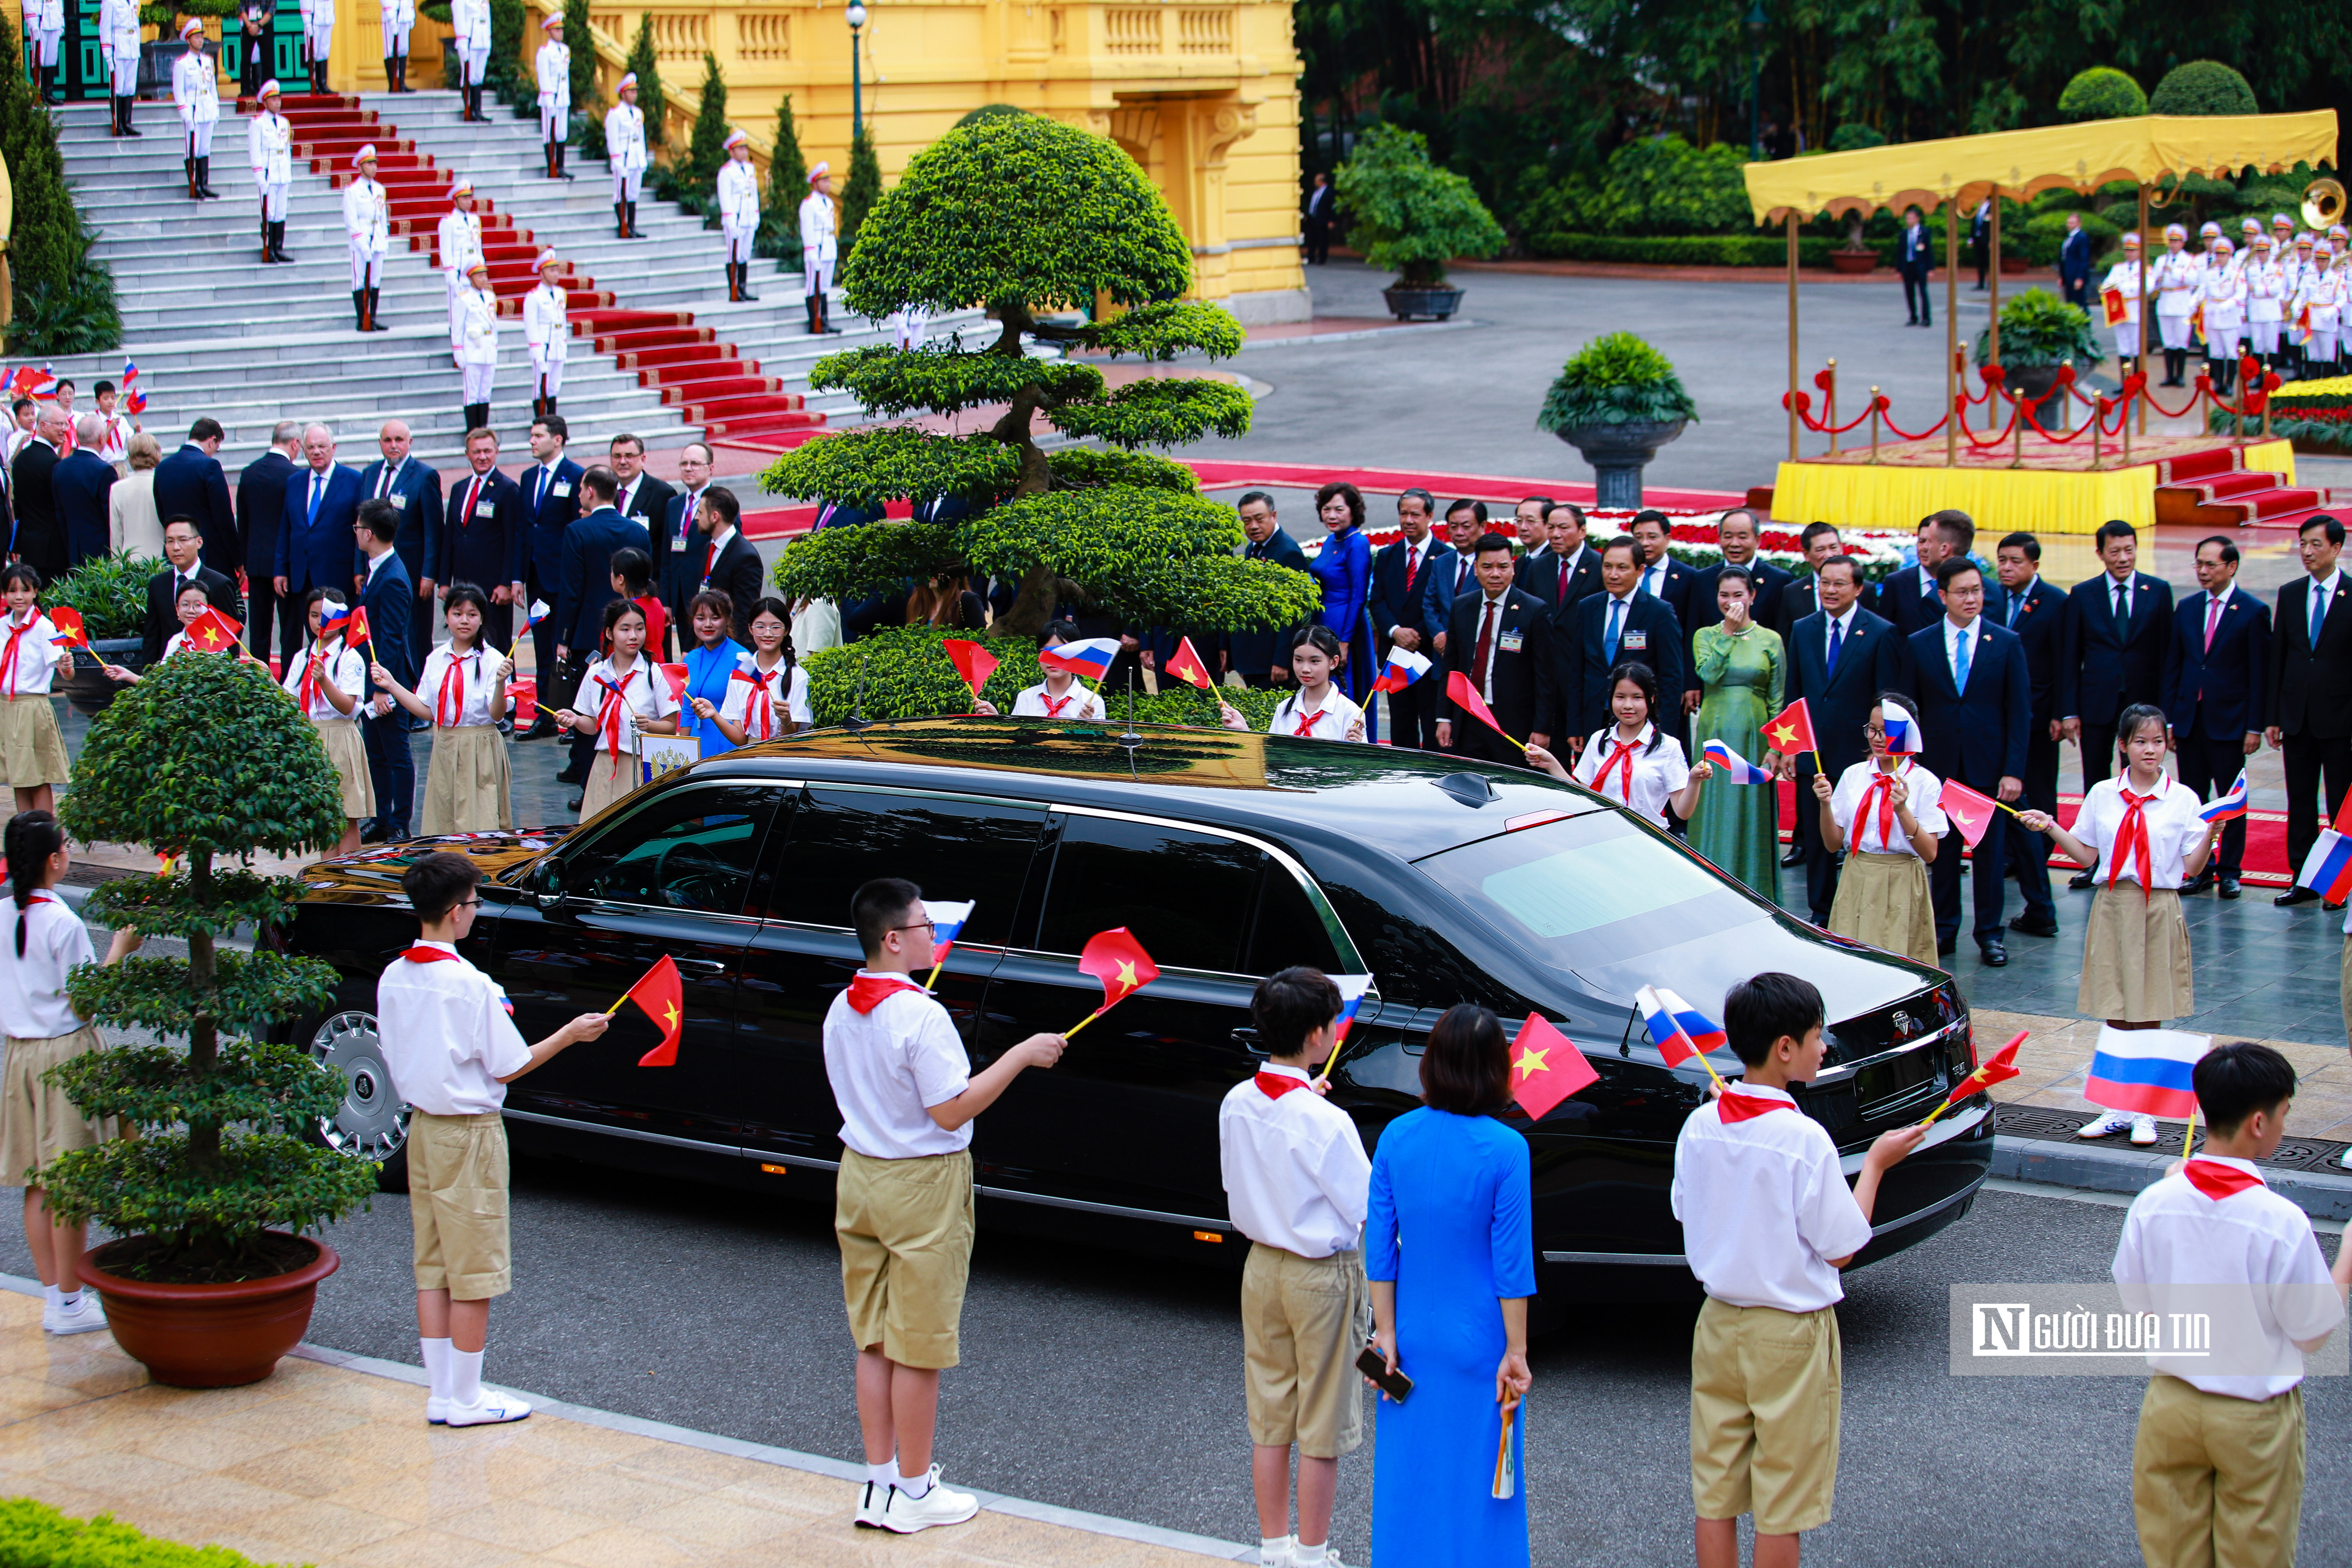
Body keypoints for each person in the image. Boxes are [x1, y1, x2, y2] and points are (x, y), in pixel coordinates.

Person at [827, 877, 1064, 1533]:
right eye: (925, 925)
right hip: (922, 1183)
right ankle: (915, 1491)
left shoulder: (842, 1006)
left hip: (861, 1176)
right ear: (894, 938)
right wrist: (1021, 1056)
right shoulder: (920, 1015)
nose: (936, 933)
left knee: (873, 1338)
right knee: (920, 1344)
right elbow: (950, 1107)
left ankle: (878, 1485)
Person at [1675, 972, 1923, 1568]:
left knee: (1716, 1492)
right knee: (1782, 1499)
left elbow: (1686, 1209)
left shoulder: (1700, 1124)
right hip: (1788, 1331)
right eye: (1817, 1035)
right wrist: (1878, 1167)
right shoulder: (1803, 1138)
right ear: (1785, 1048)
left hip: (1718, 1323)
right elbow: (1840, 1248)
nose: (1824, 1046)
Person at [379, 851, 611, 1427]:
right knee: (474, 1269)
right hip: (470, 1133)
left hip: (423, 1128)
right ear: (457, 912)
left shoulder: (394, 975)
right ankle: (467, 1397)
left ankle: (442, 1393)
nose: (477, 912)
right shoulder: (469, 985)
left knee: (432, 1266)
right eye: (476, 903)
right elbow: (508, 1065)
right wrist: (570, 1035)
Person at [2112, 1043, 2351, 1568]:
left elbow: (2136, 1299)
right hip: (2253, 1414)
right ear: (2260, 1124)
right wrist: (2348, 1260)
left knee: (2172, 1554)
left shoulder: (2155, 1201)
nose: (2285, 1126)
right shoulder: (2279, 1219)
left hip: (2170, 1404)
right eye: (2285, 1115)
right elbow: (2311, 1333)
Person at [1364, 1003, 1532, 1568]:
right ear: (1495, 1071)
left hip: (1408, 1338)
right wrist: (1518, 1350)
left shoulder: (1395, 1136)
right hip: (1480, 1339)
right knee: (1484, 1486)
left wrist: (1384, 1331)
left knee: (1408, 1484)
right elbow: (1511, 1265)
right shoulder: (1508, 1150)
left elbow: (1380, 1247)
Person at [1220, 968, 1370, 1568]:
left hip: (1261, 1264)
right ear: (1317, 1035)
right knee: (1323, 1420)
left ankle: (1274, 1547)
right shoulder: (1326, 1121)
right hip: (1320, 1274)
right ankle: (1313, 1552)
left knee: (1270, 1410)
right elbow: (1363, 1208)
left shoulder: (1237, 1101)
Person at [2020, 704, 2224, 1145]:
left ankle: (2145, 1111)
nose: (2150, 750)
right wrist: (2051, 826)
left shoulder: (2183, 798)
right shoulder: (2103, 794)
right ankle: (2117, 1106)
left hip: (2158, 905)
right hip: (2115, 904)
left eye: (2157, 741)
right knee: (2116, 1007)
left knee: (2148, 1008)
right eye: (2140, 741)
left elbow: (2191, 867)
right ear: (2123, 745)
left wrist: (2212, 832)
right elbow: (2089, 857)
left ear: (2167, 744)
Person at [0, 812, 140, 1338]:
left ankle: (55, 1297)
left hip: (19, 1054)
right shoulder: (63, 924)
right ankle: (67, 1300)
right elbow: (86, 1003)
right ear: (56, 860)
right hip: (64, 1055)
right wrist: (119, 953)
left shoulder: (4, 913)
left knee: (37, 1181)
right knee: (70, 1183)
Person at [1909, 555, 2029, 966]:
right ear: (1943, 595)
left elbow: (2019, 711)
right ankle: (1944, 929)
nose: (1972, 598)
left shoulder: (2006, 642)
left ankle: (1990, 934)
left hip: (1988, 768)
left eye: (1977, 590)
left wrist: (2013, 769)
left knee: (1990, 855)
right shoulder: (1920, 643)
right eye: (1962, 592)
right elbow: (1914, 710)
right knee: (1942, 852)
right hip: (1939, 768)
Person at [1782, 555, 1902, 923]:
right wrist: (1790, 748)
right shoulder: (1804, 628)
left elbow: (1887, 699)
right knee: (1818, 838)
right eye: (1825, 583)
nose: (1830, 590)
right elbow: (1795, 693)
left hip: (1860, 754)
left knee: (1859, 834)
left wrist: (1888, 755)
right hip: (1814, 754)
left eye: (1839, 584)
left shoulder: (1880, 631)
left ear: (1859, 588)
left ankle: (1859, 909)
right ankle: (1822, 911)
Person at [2062, 521, 2175, 882]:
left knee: (2143, 778)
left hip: (2143, 707)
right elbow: (2071, 655)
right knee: (2098, 781)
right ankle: (2097, 862)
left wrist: (2165, 714)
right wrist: (2069, 710)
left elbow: (2166, 654)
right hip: (2097, 701)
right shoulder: (2083, 594)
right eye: (2115, 551)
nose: (2123, 558)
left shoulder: (2157, 591)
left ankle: (2141, 856)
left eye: (2129, 550)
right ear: (2100, 554)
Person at [2165, 536, 2269, 902]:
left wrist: (2255, 725)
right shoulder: (2188, 607)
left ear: (2232, 566)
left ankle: (2230, 871)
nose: (2204, 571)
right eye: (2199, 564)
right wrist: (2171, 721)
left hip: (2230, 723)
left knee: (2231, 800)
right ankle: (2200, 868)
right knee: (2193, 800)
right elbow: (2175, 666)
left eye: (2211, 565)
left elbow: (2260, 673)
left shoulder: (2253, 611)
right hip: (2191, 721)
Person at [372, 585, 515, 836]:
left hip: (480, 747)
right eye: (457, 613)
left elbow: (497, 715)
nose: (464, 621)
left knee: (481, 824)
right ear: (447, 616)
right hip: (446, 745)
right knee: (445, 823)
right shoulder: (436, 659)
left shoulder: (494, 660)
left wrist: (501, 683)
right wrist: (392, 684)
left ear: (482, 618)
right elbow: (427, 711)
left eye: (472, 614)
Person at [1812, 695, 1945, 963]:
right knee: (1853, 959)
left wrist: (1902, 811)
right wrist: (1825, 804)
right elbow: (1833, 844)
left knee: (1896, 959)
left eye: (1887, 731)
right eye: (1873, 729)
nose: (1878, 738)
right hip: (1857, 875)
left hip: (1901, 878)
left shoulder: (1924, 782)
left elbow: (1930, 853)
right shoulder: (1854, 775)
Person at [2268, 515, 2351, 908]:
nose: (2307, 551)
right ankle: (2301, 878)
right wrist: (2273, 716)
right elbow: (2279, 657)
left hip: (2340, 720)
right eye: (2303, 544)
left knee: (2340, 805)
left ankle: (2337, 884)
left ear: (2337, 548)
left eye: (2316, 544)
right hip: (2297, 718)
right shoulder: (2291, 592)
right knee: (2300, 801)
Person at [1689, 565, 1785, 898]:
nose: (1731, 602)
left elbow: (1777, 696)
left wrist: (1776, 747)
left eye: (1738, 595)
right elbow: (1709, 674)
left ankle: (1754, 887)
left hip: (1754, 732)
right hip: (1715, 728)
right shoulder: (1706, 635)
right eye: (1724, 596)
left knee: (1750, 806)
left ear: (1753, 596)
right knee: (1713, 800)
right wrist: (1727, 633)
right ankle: (1709, 886)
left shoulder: (1771, 639)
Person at [1528, 660, 1708, 826]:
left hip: (1646, 838)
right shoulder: (1599, 740)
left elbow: (1683, 812)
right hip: (1600, 834)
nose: (1628, 705)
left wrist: (1694, 780)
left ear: (1651, 699)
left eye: (1637, 697)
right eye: (1620, 697)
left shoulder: (1668, 747)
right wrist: (1551, 764)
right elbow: (1583, 796)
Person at [555, 597, 678, 818]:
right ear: (610, 634)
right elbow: (592, 726)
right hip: (606, 764)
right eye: (625, 629)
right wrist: (574, 720)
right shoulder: (597, 674)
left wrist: (649, 725)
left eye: (640, 629)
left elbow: (671, 726)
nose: (634, 636)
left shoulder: (654, 673)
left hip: (643, 765)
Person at [1437, 533, 1551, 762]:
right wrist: (1444, 717)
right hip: (1469, 717)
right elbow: (1451, 666)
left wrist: (1542, 727)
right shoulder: (1462, 606)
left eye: (1503, 566)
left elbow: (1546, 675)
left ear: (1513, 568)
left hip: (1513, 722)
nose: (1496, 574)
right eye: (1488, 567)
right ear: (1477, 569)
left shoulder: (1534, 611)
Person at [1562, 536, 1682, 752]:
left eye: (1622, 568)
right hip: (1595, 718)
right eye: (1607, 567)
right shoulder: (1589, 607)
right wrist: (1575, 725)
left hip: (1640, 721)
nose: (1613, 575)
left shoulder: (1659, 612)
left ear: (1640, 571)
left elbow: (1671, 678)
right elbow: (1578, 670)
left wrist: (1664, 732)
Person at [281, 589, 372, 855]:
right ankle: (328, 879)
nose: (320, 621)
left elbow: (349, 707)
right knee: (321, 817)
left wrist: (324, 681)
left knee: (345, 814)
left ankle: (351, 879)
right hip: (312, 739)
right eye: (314, 615)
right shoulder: (302, 658)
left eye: (327, 615)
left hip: (340, 737)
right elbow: (289, 700)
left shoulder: (350, 657)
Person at [1681, 509, 1792, 715]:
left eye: (1743, 537)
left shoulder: (1779, 580)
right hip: (1714, 679)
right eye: (1728, 536)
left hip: (1756, 684)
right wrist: (1691, 683)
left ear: (1757, 539)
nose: (1735, 543)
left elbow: (1781, 633)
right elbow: (1693, 629)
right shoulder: (1702, 579)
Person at [514, 416, 584, 733]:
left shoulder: (575, 476)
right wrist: (517, 576)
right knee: (542, 646)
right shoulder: (528, 478)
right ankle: (545, 713)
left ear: (557, 440)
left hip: (562, 576)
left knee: (565, 649)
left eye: (537, 435)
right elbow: (524, 529)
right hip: (536, 576)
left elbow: (575, 527)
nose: (532, 441)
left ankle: (570, 717)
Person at [356, 499, 418, 842]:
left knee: (396, 752)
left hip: (388, 680)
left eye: (357, 529)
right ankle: (381, 817)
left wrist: (383, 687)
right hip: (375, 677)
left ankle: (399, 822)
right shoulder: (379, 567)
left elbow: (393, 637)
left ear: (368, 533)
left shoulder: (393, 577)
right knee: (376, 752)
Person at [358, 420, 445, 661]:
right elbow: (362, 523)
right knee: (378, 633)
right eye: (388, 440)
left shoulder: (425, 476)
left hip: (411, 574)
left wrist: (429, 575)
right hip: (374, 571)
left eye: (399, 440)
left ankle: (419, 693)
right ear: (380, 443)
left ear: (410, 442)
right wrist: (359, 568)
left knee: (415, 637)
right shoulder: (370, 474)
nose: (393, 445)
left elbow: (434, 529)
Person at [1369, 488, 1447, 749]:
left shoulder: (1445, 556)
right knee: (1401, 724)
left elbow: (1443, 605)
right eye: (1404, 514)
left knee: (1430, 722)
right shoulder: (1388, 556)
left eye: (1416, 514)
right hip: (1396, 654)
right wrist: (1394, 631)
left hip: (1428, 654)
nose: (1409, 520)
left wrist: (1416, 633)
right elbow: (1377, 600)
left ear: (1430, 516)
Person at [440, 428, 520, 655]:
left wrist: (506, 583)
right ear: (467, 454)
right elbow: (451, 537)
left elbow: (512, 540)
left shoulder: (508, 490)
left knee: (498, 646)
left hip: (493, 588)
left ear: (497, 452)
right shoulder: (459, 489)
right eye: (477, 452)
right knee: (465, 644)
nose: (482, 457)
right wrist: (445, 581)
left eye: (488, 451)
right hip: (463, 584)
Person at [694, 596, 811, 747]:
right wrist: (714, 715)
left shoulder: (798, 677)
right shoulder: (743, 673)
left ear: (786, 630)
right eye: (760, 627)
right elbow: (740, 739)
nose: (768, 634)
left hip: (783, 760)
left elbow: (791, 741)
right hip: (750, 758)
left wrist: (786, 719)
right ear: (751, 629)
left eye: (775, 627)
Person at [1227, 493, 1312, 691]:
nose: (1254, 526)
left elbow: (1292, 614)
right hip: (1255, 659)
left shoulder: (1287, 552)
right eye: (1247, 521)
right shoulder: (1254, 548)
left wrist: (1282, 661)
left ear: (1273, 516)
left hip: (1272, 662)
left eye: (1260, 519)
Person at [1222, 626, 1366, 742]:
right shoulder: (1284, 709)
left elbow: (1360, 771)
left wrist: (1353, 750)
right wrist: (1244, 730)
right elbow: (1271, 758)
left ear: (1334, 662)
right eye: (1298, 660)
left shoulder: (1351, 713)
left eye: (1315, 661)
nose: (1305, 669)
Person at [0, 567, 67, 815]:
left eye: (25, 591)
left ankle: (46, 836)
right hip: (6, 706)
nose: (18, 597)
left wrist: (67, 666)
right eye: (12, 591)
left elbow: (64, 671)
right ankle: (25, 836)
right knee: (17, 774)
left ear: (36, 592)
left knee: (37, 773)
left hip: (31, 707)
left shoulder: (45, 629)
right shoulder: (2, 627)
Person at [1307, 482, 1375, 725]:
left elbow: (1359, 596)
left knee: (1345, 689)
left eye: (1339, 509)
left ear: (1353, 511)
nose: (1332, 516)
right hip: (1324, 622)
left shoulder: (1358, 543)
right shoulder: (1331, 540)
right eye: (1326, 510)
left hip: (1347, 626)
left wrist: (1344, 643)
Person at [276, 424, 361, 607]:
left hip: (340, 578)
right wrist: (280, 570)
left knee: (341, 634)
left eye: (322, 447)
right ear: (303, 450)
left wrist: (360, 570)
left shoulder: (355, 481)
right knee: (314, 634)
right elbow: (286, 529)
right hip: (303, 578)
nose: (317, 452)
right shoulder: (294, 482)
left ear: (334, 448)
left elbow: (361, 530)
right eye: (311, 447)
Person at [141, 517, 239, 668]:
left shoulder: (219, 584)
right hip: (167, 674)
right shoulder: (158, 584)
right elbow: (152, 636)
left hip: (207, 673)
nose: (176, 547)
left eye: (183, 540)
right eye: (170, 541)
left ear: (199, 542)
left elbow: (230, 637)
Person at [153, 415, 237, 577]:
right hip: (209, 556)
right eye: (217, 447)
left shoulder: (163, 467)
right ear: (212, 441)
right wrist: (237, 559)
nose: (214, 452)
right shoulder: (209, 466)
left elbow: (162, 512)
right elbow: (223, 515)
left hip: (175, 554)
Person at [974, 622, 1106, 720]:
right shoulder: (1026, 698)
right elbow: (1016, 742)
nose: (1054, 659)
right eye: (1047, 652)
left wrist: (1089, 728)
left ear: (1077, 655)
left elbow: (1100, 751)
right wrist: (996, 720)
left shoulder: (1092, 702)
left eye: (1062, 652)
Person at [677, 589, 748, 756]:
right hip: (696, 743)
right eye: (700, 618)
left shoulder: (743, 659)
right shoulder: (690, 659)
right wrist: (683, 750)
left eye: (715, 618)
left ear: (727, 620)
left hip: (729, 746)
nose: (707, 625)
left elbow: (746, 714)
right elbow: (687, 710)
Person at [693, 486, 764, 642]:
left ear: (715, 517)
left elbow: (745, 614)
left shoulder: (745, 557)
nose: (696, 518)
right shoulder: (709, 548)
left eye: (700, 512)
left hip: (729, 647)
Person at [53, 416, 116, 570]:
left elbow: (60, 514)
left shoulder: (60, 468)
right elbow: (111, 517)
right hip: (101, 553)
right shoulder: (105, 471)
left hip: (72, 548)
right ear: (102, 438)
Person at [9, 406, 63, 585]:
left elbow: (19, 507)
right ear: (44, 426)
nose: (65, 429)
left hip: (28, 545)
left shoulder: (21, 459)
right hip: (53, 550)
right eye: (60, 424)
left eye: (66, 424)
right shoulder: (54, 464)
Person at [344, 147, 392, 334]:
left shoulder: (380, 189)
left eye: (375, 164)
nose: (374, 168)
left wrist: (385, 240)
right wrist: (362, 245)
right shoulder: (353, 191)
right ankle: (361, 319)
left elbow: (383, 218)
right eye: (370, 164)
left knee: (375, 281)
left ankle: (372, 318)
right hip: (361, 240)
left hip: (378, 239)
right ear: (361, 166)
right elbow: (351, 222)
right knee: (359, 281)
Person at [172, 17, 220, 201]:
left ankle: (205, 185)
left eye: (202, 37)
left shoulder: (208, 61)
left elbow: (213, 87)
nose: (201, 40)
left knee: (205, 149)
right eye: (197, 37)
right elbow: (179, 92)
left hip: (207, 109)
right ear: (188, 39)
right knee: (192, 150)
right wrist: (185, 115)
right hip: (193, 111)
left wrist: (216, 108)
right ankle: (195, 185)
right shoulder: (182, 64)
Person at [451, 260, 500, 438]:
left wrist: (495, 343)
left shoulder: (490, 296)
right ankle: (472, 432)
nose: (484, 279)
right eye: (480, 276)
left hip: (488, 348)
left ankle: (484, 430)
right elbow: (457, 327)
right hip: (472, 349)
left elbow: (494, 323)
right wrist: (458, 351)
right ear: (471, 278)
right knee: (472, 393)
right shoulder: (463, 299)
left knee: (485, 393)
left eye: (485, 275)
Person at [248, 80, 294, 265]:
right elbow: (255, 152)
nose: (277, 103)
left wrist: (289, 173)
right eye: (273, 100)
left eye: (279, 99)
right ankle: (269, 249)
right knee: (269, 212)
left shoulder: (284, 123)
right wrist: (260, 177)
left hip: (283, 173)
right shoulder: (258, 124)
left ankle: (279, 247)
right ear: (265, 102)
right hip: (268, 174)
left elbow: (287, 149)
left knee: (281, 212)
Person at [2151, 224, 2200, 387]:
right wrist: (2156, 281)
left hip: (2181, 303)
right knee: (2168, 342)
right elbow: (2153, 283)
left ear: (2182, 243)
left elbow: (2194, 280)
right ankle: (2169, 375)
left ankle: (2180, 376)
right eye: (2171, 241)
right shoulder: (2161, 260)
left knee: (2181, 342)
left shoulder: (2189, 260)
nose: (2173, 245)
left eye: (2176, 241)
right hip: (2165, 302)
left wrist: (2174, 271)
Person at [523, 251, 568, 418]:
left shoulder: (561, 293)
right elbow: (531, 327)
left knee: (554, 387)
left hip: (558, 345)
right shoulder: (534, 296)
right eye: (552, 271)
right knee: (541, 388)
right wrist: (538, 354)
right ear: (542, 273)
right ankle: (541, 421)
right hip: (544, 346)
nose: (556, 274)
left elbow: (562, 320)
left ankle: (553, 422)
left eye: (557, 270)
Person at [2200, 237, 2246, 395]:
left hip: (2229, 316)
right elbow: (2203, 291)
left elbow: (2242, 293)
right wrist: (2194, 303)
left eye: (2223, 254)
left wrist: (2230, 304)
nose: (2219, 257)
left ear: (2229, 255)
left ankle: (2229, 384)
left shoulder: (2237, 273)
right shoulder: (2209, 274)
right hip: (2213, 314)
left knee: (2231, 352)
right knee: (2215, 351)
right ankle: (2218, 383)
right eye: (2217, 254)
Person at [109, 432, 163, 558]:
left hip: (131, 562)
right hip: (161, 560)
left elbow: (116, 536)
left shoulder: (117, 489)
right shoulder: (165, 484)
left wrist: (117, 568)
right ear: (157, 453)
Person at [2099, 231, 2146, 378]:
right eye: (2127, 251)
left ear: (2139, 251)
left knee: (2136, 348)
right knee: (2123, 348)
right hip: (2119, 311)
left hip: (2135, 310)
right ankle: (2125, 381)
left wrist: (2123, 288)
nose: (2130, 254)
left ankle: (2138, 381)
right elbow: (2106, 285)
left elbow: (2147, 287)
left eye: (2133, 251)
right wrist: (2120, 288)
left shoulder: (2145, 269)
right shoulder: (2118, 269)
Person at [606, 74, 648, 239]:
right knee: (620, 193)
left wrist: (643, 158)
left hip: (636, 159)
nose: (634, 95)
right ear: (623, 94)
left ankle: (632, 227)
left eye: (636, 92)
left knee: (633, 194)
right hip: (623, 159)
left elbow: (641, 137)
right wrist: (616, 161)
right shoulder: (615, 114)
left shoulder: (638, 113)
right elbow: (613, 138)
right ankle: (622, 225)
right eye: (631, 92)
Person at [797, 159, 838, 326]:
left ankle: (825, 320)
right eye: (824, 181)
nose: (828, 184)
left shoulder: (829, 202)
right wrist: (811, 251)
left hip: (829, 247)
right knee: (814, 285)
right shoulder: (809, 204)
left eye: (828, 181)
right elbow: (807, 230)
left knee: (825, 286)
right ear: (815, 183)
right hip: (817, 249)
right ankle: (815, 321)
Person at [438, 181, 486, 315]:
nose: (469, 201)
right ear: (456, 201)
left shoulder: (475, 220)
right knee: (457, 312)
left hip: (473, 270)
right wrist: (452, 278)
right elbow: (446, 252)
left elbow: (478, 246)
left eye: (470, 197)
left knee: (474, 312)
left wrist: (481, 268)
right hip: (458, 272)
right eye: (465, 198)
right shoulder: (448, 222)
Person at [534, 14, 571, 180]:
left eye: (562, 30)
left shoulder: (565, 50)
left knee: (562, 133)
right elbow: (544, 77)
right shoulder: (544, 51)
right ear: (549, 31)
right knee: (550, 133)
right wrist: (549, 100)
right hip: (551, 97)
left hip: (563, 97)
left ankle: (561, 167)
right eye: (557, 30)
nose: (560, 33)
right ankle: (552, 166)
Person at [99, 0, 138, 138]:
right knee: (118, 89)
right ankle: (118, 125)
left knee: (129, 88)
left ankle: (128, 124)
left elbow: (136, 24)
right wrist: (108, 56)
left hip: (133, 47)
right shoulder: (110, 2)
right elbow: (105, 28)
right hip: (119, 48)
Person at [452, 0, 490, 119]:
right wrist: (462, 41)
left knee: (479, 77)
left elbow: (487, 18)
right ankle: (469, 110)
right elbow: (459, 20)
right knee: (469, 77)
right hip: (469, 41)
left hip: (483, 41)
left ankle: (478, 110)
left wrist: (489, 39)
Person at [1897, 206, 1932, 327]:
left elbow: (1929, 252)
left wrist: (1930, 268)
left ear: (1917, 219)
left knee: (1923, 291)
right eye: (1907, 219)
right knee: (1909, 292)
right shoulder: (1904, 234)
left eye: (1911, 218)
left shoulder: (1925, 232)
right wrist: (1900, 269)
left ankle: (1926, 318)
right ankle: (1913, 316)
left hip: (1920, 266)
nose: (1909, 221)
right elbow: (1900, 252)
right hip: (1908, 266)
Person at [25, 0, 60, 103]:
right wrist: (33, 25)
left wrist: (62, 22)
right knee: (39, 59)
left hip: (55, 20)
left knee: (51, 59)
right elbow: (27, 3)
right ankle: (40, 94)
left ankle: (49, 94)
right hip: (39, 22)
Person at [2058, 210, 2093, 309]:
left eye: (2072, 223)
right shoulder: (2068, 238)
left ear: (2079, 224)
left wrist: (2080, 278)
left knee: (2080, 302)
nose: (2069, 225)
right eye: (2069, 223)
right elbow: (2064, 257)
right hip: (2068, 274)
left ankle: (2085, 322)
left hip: (2076, 274)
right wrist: (2062, 276)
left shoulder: (2082, 238)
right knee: (2070, 301)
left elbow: (2084, 259)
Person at [1302, 172, 1335, 266]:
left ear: (1321, 181)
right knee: (1312, 238)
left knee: (1322, 239)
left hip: (1323, 219)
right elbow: (1312, 204)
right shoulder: (1316, 192)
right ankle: (1311, 256)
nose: (1315, 183)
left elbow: (1332, 207)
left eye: (1316, 181)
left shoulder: (1329, 192)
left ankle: (1322, 257)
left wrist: (1331, 220)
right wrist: (1308, 214)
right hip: (1313, 218)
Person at [298, 0, 331, 91]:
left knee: (324, 53)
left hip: (328, 18)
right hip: (314, 20)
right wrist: (307, 22)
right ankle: (314, 85)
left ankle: (323, 84)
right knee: (313, 53)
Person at [380, 0, 413, 90]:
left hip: (405, 15)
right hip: (390, 15)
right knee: (389, 50)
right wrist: (391, 17)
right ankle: (392, 84)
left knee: (404, 49)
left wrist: (412, 14)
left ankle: (401, 83)